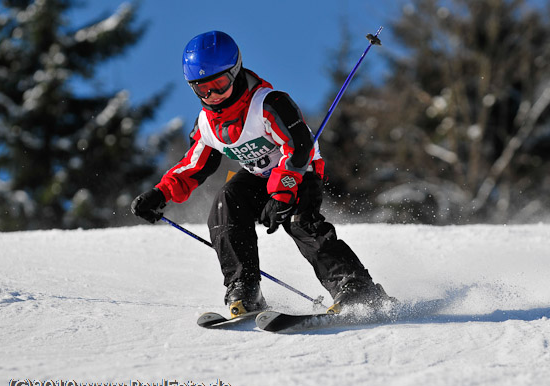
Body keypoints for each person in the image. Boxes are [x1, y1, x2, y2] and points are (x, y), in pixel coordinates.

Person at [131, 30, 392, 317]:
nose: (213, 95)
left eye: (219, 84)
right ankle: (244, 288)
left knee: (299, 220)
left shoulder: (268, 104)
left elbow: (298, 147)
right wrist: (159, 194)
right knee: (226, 201)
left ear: (235, 72)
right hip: (259, 178)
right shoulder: (207, 124)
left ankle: (356, 287)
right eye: (202, 89)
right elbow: (193, 165)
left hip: (300, 170)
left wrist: (282, 192)